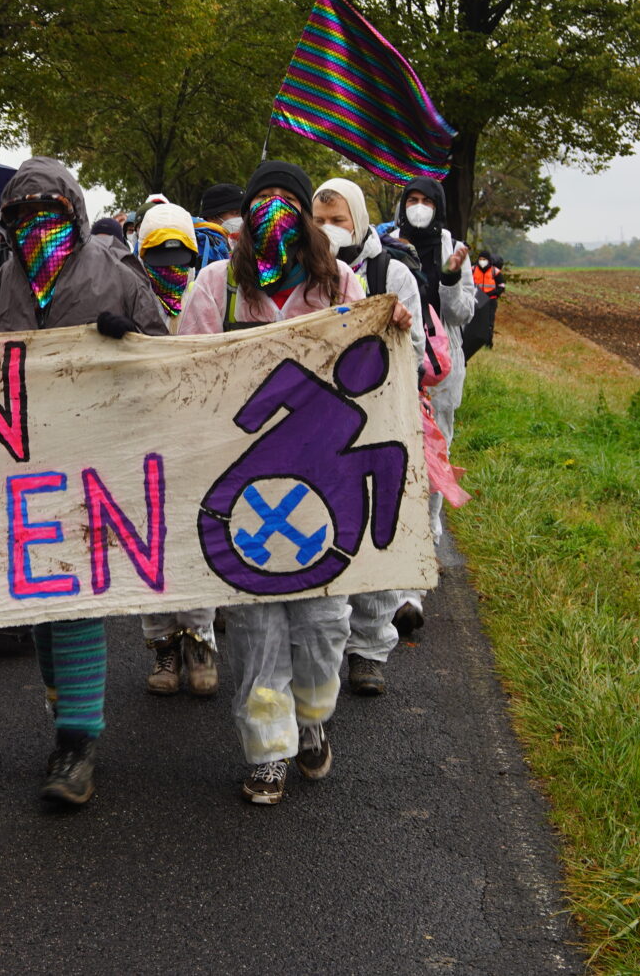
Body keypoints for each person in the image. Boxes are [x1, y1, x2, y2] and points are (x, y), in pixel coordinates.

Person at [0, 157, 169, 807]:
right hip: (21, 471)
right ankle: (65, 716)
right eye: (22, 218)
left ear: (73, 216)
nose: (36, 229)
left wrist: (130, 340)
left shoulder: (119, 277)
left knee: (76, 603)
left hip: (96, 470)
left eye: (48, 215)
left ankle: (78, 743)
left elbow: (166, 360)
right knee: (43, 608)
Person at [182, 162, 369, 806]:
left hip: (324, 482)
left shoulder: (340, 280)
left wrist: (393, 324)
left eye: (285, 204)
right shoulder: (216, 287)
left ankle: (313, 720)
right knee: (258, 630)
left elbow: (369, 360)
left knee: (322, 627)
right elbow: (187, 376)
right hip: (244, 489)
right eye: (259, 203)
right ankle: (267, 752)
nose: (272, 216)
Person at [313, 176, 421, 698]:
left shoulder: (391, 272)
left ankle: (370, 649)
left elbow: (417, 347)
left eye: (339, 220)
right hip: (323, 421)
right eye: (319, 221)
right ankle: (330, 647)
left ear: (358, 219)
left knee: (378, 529)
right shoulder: (309, 273)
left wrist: (393, 327)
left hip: (378, 418)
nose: (329, 230)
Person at [379, 176, 475, 640]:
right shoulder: (386, 246)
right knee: (398, 458)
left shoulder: (453, 248)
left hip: (440, 372)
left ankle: (425, 546)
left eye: (426, 202)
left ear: (438, 207)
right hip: (399, 365)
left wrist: (453, 275)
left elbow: (462, 314)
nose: (419, 208)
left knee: (434, 461)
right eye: (412, 200)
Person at [130, 202, 218, 697]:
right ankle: (162, 644)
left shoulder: (204, 293)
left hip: (197, 438)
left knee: (197, 539)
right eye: (157, 255)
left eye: (178, 254)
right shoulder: (126, 292)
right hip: (141, 439)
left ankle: (201, 641)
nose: (170, 265)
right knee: (150, 544)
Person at [194, 182, 242, 268]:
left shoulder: (240, 243)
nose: (242, 219)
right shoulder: (201, 245)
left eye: (245, 213)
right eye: (236, 213)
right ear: (212, 217)